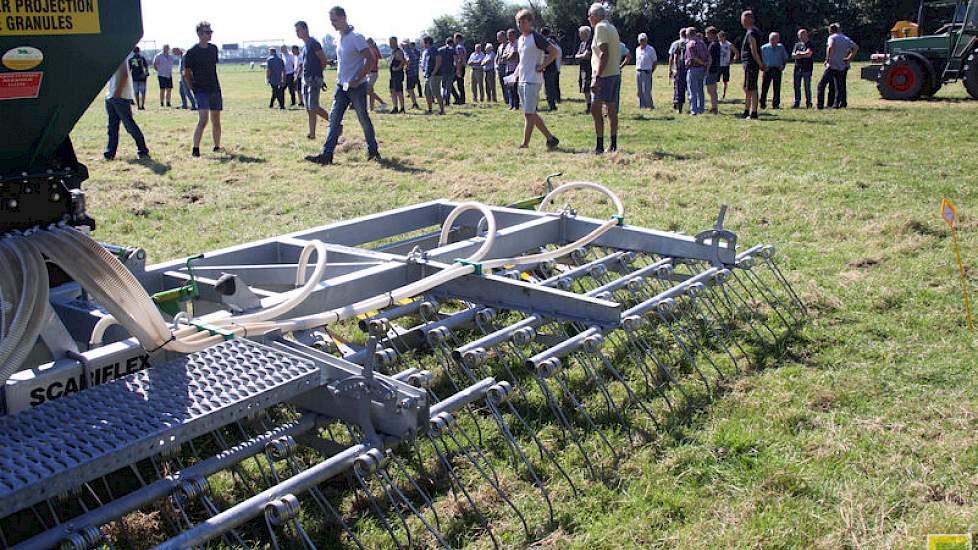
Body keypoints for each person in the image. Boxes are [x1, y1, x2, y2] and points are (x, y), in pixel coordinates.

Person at [305, 6, 380, 165]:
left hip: (357, 87)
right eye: (331, 20)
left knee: (363, 119)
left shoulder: (356, 37)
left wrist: (358, 78)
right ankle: (326, 155)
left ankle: (373, 151)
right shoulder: (339, 38)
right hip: (341, 87)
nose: (332, 24)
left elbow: (370, 59)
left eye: (334, 20)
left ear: (344, 17)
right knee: (333, 119)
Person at [514, 9, 560, 150]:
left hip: (533, 80)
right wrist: (515, 74)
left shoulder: (536, 37)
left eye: (524, 22)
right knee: (530, 113)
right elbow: (522, 60)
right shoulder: (521, 39)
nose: (521, 25)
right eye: (519, 22)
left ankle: (525, 144)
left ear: (530, 22)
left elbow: (554, 52)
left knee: (529, 113)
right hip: (522, 79)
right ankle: (551, 139)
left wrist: (543, 65)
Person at [184, 21, 223, 156]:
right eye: (207, 32)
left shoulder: (213, 49)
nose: (210, 34)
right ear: (200, 34)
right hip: (201, 90)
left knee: (216, 120)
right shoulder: (191, 52)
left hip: (214, 88)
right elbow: (187, 73)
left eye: (211, 31)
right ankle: (195, 149)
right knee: (203, 119)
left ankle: (217, 146)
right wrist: (192, 88)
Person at [588, 2, 620, 153]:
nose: (589, 19)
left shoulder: (600, 28)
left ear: (595, 16)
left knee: (595, 109)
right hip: (614, 73)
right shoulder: (612, 27)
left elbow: (604, 53)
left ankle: (599, 145)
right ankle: (613, 144)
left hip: (604, 75)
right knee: (612, 110)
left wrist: (596, 77)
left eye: (589, 16)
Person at [104, 61, 149, 160]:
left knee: (129, 125)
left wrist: (117, 94)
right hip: (110, 96)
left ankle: (143, 150)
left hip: (120, 97)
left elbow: (124, 75)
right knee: (112, 127)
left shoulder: (121, 58)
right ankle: (109, 153)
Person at [295, 21, 330, 140]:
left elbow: (323, 60)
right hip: (306, 79)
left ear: (305, 29)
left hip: (314, 79)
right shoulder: (305, 46)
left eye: (298, 30)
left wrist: (319, 75)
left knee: (314, 106)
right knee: (309, 108)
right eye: (296, 31)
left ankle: (335, 123)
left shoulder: (314, 43)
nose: (297, 33)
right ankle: (312, 133)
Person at [818, 23, 858, 109]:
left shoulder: (832, 37)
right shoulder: (846, 38)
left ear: (831, 30)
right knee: (840, 86)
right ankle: (838, 104)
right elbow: (856, 48)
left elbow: (830, 47)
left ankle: (820, 105)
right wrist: (849, 58)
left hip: (832, 65)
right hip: (842, 66)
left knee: (821, 85)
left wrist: (827, 59)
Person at [740, 10, 765, 119]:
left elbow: (754, 50)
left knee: (752, 88)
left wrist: (760, 64)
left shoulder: (751, 33)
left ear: (749, 19)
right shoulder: (752, 31)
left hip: (751, 64)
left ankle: (754, 112)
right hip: (749, 64)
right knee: (747, 88)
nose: (742, 22)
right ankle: (746, 111)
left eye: (744, 19)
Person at [760, 32, 788, 109]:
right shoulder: (763, 48)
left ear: (778, 40)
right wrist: (762, 67)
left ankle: (776, 104)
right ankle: (762, 103)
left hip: (777, 69)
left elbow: (785, 58)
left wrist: (783, 65)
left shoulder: (781, 47)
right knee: (764, 87)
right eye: (772, 39)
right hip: (767, 69)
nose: (773, 41)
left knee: (777, 88)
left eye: (775, 39)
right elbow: (759, 59)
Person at [685, 27, 708, 115]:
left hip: (693, 68)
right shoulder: (702, 43)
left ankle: (694, 109)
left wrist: (702, 63)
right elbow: (707, 55)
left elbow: (693, 57)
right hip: (702, 69)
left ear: (689, 34)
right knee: (700, 90)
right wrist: (705, 64)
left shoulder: (690, 44)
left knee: (692, 90)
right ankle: (701, 108)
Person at [792, 28, 814, 108]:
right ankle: (797, 102)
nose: (801, 37)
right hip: (797, 68)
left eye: (802, 35)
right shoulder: (797, 45)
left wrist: (799, 54)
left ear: (806, 35)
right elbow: (793, 55)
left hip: (807, 69)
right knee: (796, 86)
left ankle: (809, 103)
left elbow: (809, 54)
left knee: (807, 87)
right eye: (800, 35)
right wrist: (803, 54)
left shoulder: (810, 44)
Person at [422, 36, 444, 114]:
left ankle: (442, 110)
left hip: (435, 75)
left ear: (427, 42)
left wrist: (433, 73)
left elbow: (438, 62)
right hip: (429, 75)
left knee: (436, 92)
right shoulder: (427, 51)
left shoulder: (435, 50)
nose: (422, 44)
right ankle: (430, 109)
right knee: (427, 92)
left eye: (423, 42)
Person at [634, 33, 657, 109]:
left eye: (644, 40)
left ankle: (650, 105)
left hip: (647, 71)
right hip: (638, 71)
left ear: (646, 40)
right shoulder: (637, 49)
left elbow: (654, 62)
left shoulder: (651, 49)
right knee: (639, 90)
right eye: (641, 40)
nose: (642, 42)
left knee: (647, 90)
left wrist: (651, 71)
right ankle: (642, 105)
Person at [541, 27, 560, 111]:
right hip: (553, 67)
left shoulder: (547, 42)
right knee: (551, 87)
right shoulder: (553, 41)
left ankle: (551, 105)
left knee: (549, 88)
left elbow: (548, 54)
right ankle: (553, 104)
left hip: (549, 67)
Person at [668, 29, 687, 113]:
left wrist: (670, 69)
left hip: (678, 68)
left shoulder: (676, 43)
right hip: (689, 68)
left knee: (678, 86)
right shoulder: (689, 42)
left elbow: (672, 57)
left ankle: (677, 103)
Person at [575, 25, 593, 114]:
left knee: (588, 87)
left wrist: (580, 56)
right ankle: (588, 105)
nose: (579, 35)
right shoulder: (582, 44)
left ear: (585, 34)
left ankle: (592, 106)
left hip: (589, 68)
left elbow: (587, 55)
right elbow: (577, 55)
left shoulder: (590, 43)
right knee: (584, 87)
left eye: (580, 33)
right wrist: (580, 56)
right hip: (582, 68)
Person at [717, 30, 739, 100]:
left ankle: (724, 94)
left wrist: (733, 60)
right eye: (718, 37)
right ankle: (716, 94)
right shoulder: (718, 44)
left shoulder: (729, 44)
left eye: (720, 37)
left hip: (726, 65)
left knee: (725, 81)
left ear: (724, 37)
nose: (719, 38)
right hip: (718, 65)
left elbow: (736, 52)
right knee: (715, 81)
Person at [502, 29, 520, 110]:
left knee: (515, 88)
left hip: (515, 69)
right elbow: (503, 56)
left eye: (510, 35)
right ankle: (511, 104)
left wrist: (507, 56)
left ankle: (516, 105)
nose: (508, 37)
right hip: (508, 69)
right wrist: (508, 55)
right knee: (509, 88)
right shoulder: (508, 45)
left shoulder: (517, 43)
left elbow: (514, 55)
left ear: (514, 35)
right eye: (508, 35)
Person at [388, 36, 406, 113]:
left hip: (398, 75)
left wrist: (398, 68)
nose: (390, 44)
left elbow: (403, 61)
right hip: (392, 75)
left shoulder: (398, 51)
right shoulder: (393, 51)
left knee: (398, 91)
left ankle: (402, 108)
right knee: (392, 91)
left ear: (395, 42)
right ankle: (395, 107)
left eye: (392, 42)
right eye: (389, 42)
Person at [437, 37, 457, 106]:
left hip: (442, 70)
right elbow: (455, 61)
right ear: (451, 43)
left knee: (443, 86)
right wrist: (457, 69)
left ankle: (442, 99)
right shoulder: (453, 50)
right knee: (449, 86)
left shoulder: (440, 50)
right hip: (450, 70)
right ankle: (447, 101)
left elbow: (438, 61)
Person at [705, 27, 721, 114]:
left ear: (711, 34)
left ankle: (714, 107)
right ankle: (714, 106)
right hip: (716, 68)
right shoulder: (717, 44)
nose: (706, 36)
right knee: (712, 89)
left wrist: (707, 69)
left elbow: (710, 59)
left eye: (707, 34)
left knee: (711, 89)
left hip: (711, 69)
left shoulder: (712, 45)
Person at [403, 39, 421, 109]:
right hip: (415, 72)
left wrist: (406, 67)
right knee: (410, 89)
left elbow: (408, 60)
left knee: (409, 89)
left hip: (410, 73)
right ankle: (414, 103)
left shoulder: (406, 52)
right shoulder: (412, 51)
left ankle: (415, 104)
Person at [495, 31, 510, 105]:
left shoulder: (509, 44)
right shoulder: (499, 46)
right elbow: (497, 57)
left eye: (499, 37)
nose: (498, 38)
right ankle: (506, 100)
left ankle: (510, 100)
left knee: (508, 84)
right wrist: (496, 65)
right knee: (502, 84)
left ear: (504, 36)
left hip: (507, 66)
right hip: (500, 67)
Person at [452, 32, 467, 105]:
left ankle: (459, 99)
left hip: (459, 67)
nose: (454, 40)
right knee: (460, 84)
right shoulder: (462, 46)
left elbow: (460, 58)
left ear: (457, 38)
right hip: (462, 66)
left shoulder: (459, 47)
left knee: (451, 83)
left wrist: (458, 69)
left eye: (454, 38)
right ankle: (461, 99)